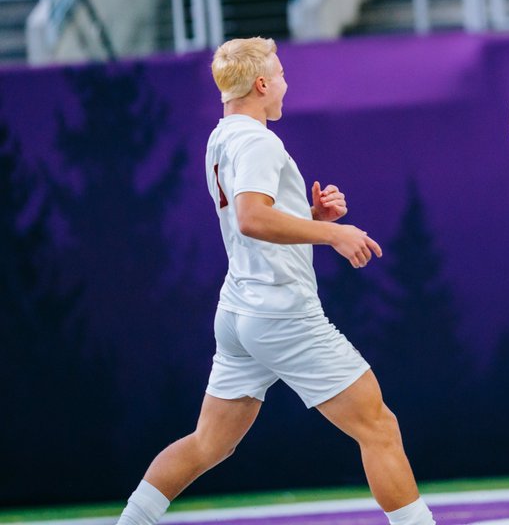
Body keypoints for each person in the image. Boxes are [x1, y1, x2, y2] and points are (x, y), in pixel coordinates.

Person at [114, 37, 436, 525]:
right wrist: (332, 232)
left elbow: (257, 218)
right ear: (262, 84)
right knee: (379, 428)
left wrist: (307, 214)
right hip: (280, 312)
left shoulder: (221, 137)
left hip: (240, 309)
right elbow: (251, 219)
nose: (286, 83)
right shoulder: (260, 141)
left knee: (208, 444)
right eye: (281, 74)